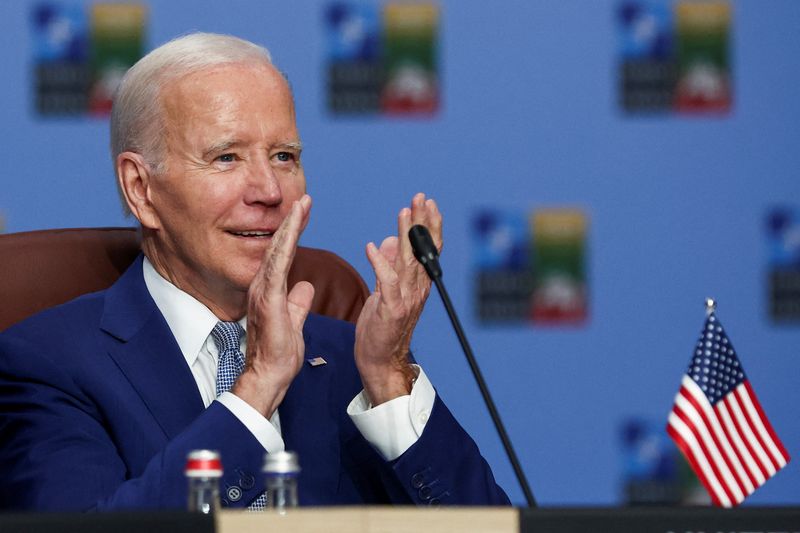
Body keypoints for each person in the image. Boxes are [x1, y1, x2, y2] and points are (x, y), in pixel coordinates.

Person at [0, 33, 509, 511]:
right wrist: (258, 387)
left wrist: (389, 376)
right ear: (141, 188)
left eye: (284, 156)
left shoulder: (350, 357)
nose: (268, 190)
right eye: (226, 158)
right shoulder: (47, 364)